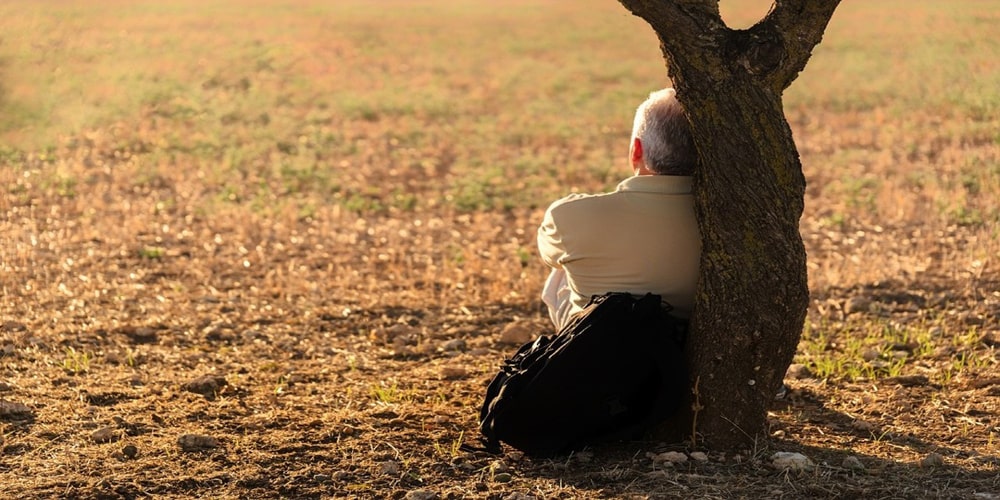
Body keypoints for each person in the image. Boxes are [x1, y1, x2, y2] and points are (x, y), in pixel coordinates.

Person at [537, 88, 701, 330]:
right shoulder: (731, 221)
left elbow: (549, 256)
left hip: (598, 347)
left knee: (562, 269)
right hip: (684, 346)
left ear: (636, 150)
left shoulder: (568, 215)